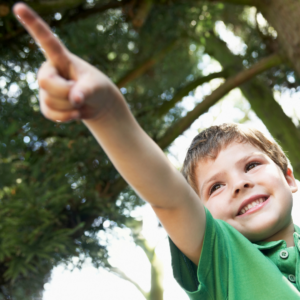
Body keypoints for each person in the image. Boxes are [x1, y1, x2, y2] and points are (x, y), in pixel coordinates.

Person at [13, 3, 300, 299]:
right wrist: (107, 112)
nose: (240, 184)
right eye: (216, 187)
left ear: (289, 177)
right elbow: (169, 197)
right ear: (202, 216)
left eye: (251, 165)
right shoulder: (222, 260)